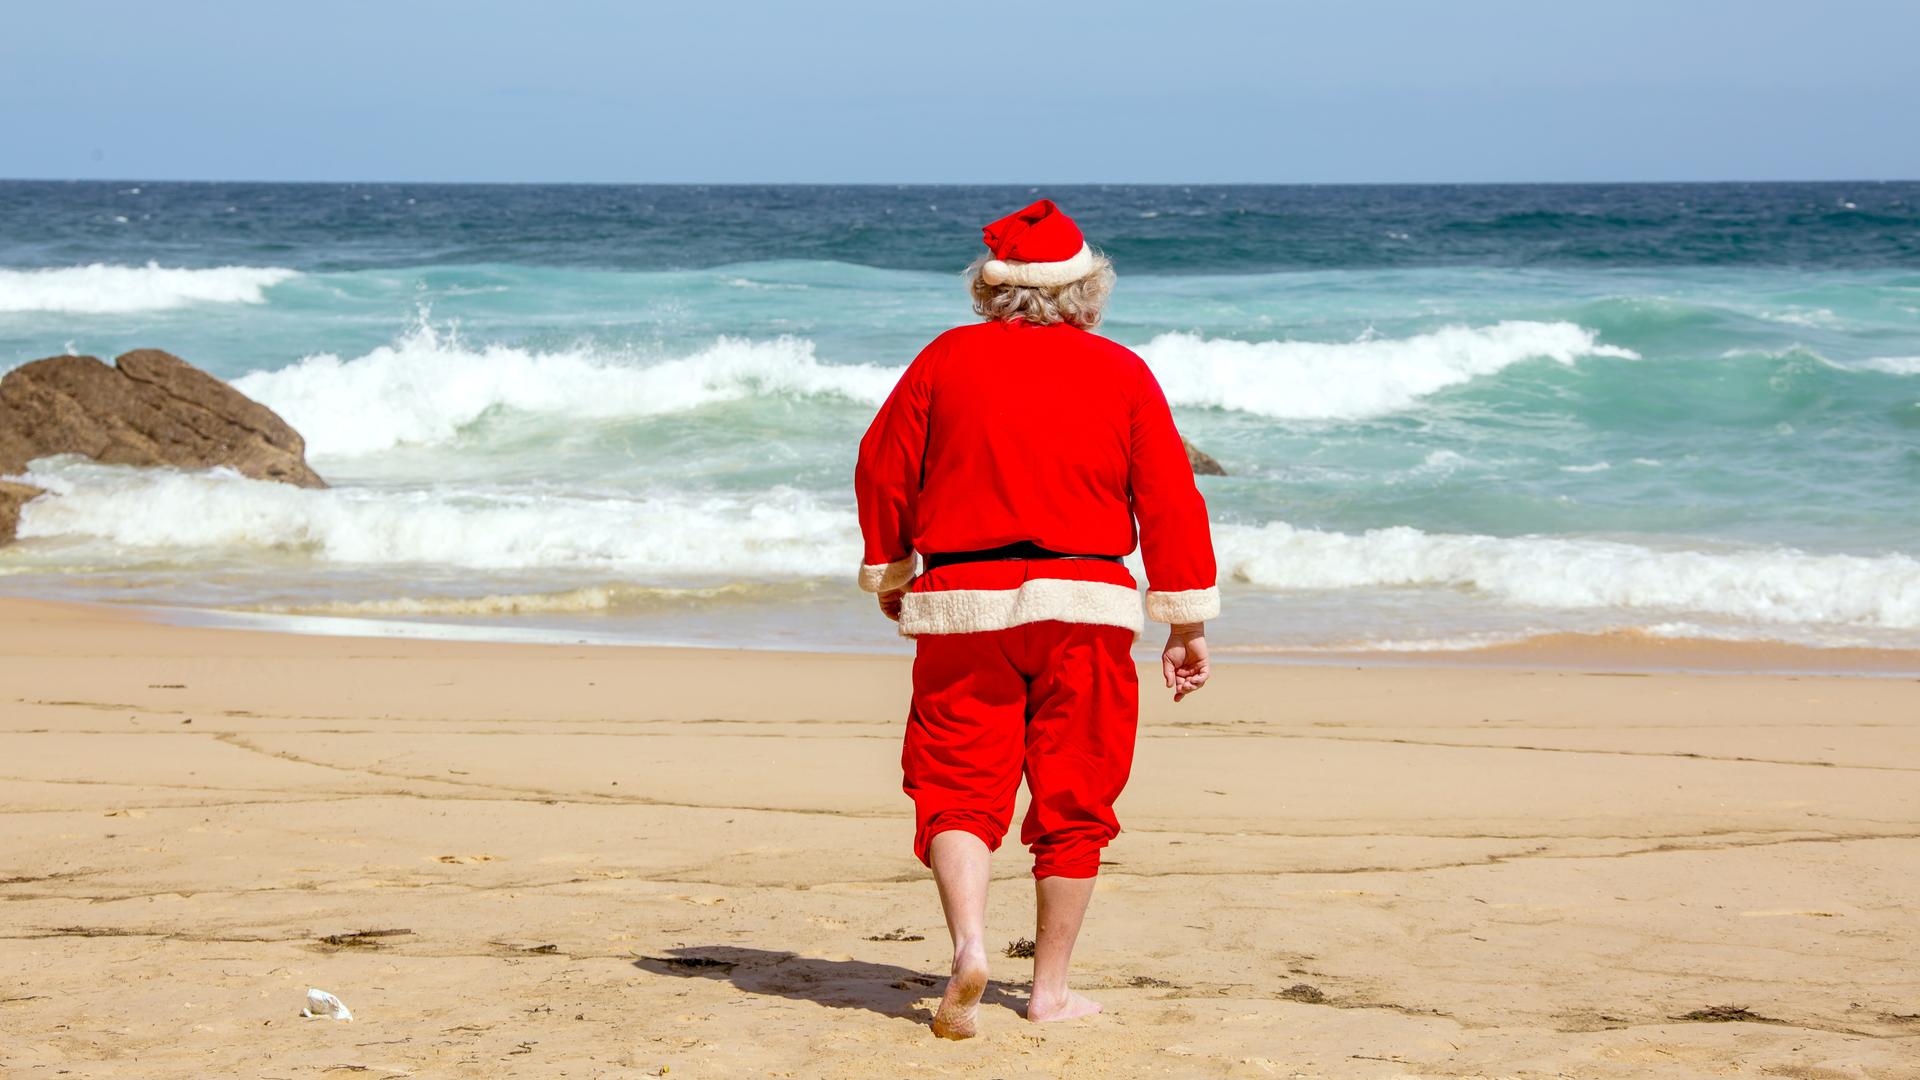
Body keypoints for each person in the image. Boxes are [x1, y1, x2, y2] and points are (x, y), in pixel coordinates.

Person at [854, 199, 1219, 1039]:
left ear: (991, 291)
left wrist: (891, 569)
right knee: (1075, 798)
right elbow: (1169, 499)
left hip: (963, 603)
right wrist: (1184, 620)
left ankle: (970, 947)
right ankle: (1048, 990)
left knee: (953, 786)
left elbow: (883, 465)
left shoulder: (945, 359)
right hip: (1083, 606)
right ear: (1086, 292)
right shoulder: (1121, 371)